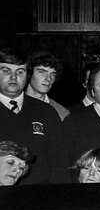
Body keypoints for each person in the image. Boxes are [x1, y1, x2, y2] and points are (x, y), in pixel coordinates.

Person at [0, 48, 66, 184]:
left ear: (27, 75)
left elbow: (59, 161)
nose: (14, 77)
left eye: (20, 72)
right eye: (6, 71)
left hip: (39, 196)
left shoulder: (46, 111)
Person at [25, 52, 69, 120]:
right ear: (29, 73)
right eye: (41, 72)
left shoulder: (61, 113)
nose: (48, 78)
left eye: (53, 74)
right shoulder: (12, 105)